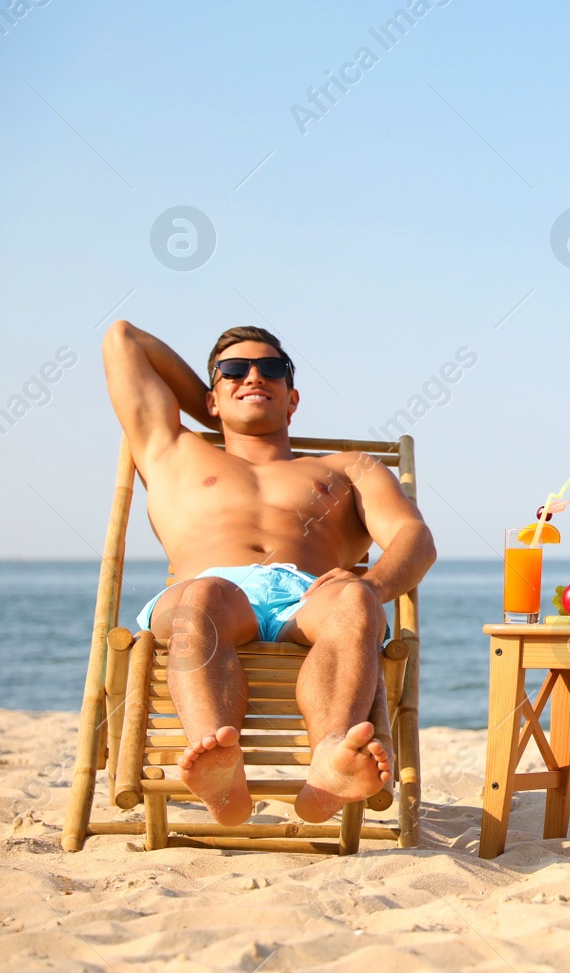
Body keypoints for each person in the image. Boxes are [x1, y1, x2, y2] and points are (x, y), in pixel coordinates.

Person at [101, 321, 436, 825]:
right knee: (205, 595)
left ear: (293, 397)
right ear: (209, 397)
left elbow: (416, 538)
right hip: (208, 592)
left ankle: (329, 759)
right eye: (235, 370)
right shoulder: (173, 450)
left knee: (356, 600)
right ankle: (216, 758)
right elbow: (123, 339)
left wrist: (370, 584)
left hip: (310, 596)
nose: (254, 376)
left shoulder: (349, 468)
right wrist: (222, 400)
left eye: (270, 370)